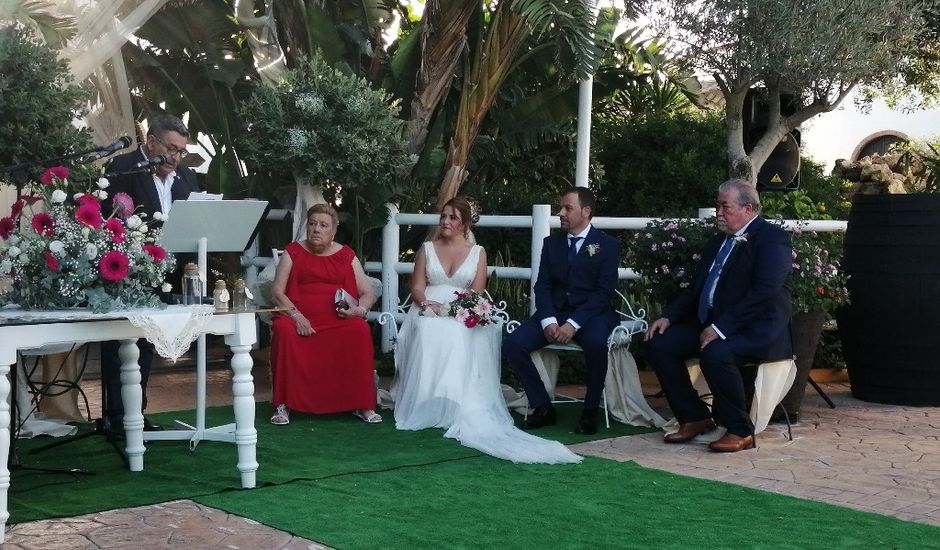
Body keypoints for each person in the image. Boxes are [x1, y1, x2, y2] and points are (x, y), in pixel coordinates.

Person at [391, 196, 581, 464]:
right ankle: (426, 401)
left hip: (462, 309)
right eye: (443, 216)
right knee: (427, 329)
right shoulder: (426, 248)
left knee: (457, 333)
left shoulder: (477, 252)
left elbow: (477, 290)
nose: (445, 222)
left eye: (453, 217)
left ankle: (454, 401)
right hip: (427, 307)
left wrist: (455, 309)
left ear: (465, 223)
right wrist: (425, 302)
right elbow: (417, 285)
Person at [644, 179, 792, 453]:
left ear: (748, 208)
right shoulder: (717, 243)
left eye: (725, 206)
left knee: (716, 352)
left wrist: (721, 329)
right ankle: (695, 417)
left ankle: (740, 429)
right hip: (714, 323)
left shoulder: (772, 238)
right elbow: (697, 288)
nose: (718, 212)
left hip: (755, 328)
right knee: (659, 343)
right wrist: (669, 316)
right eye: (717, 205)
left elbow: (764, 292)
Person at [101, 113, 201, 434]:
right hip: (129, 271)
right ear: (152, 141)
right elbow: (111, 221)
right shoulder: (123, 169)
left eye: (181, 151)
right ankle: (118, 416)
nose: (176, 157)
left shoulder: (186, 177)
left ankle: (137, 414)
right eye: (171, 149)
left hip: (170, 271)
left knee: (147, 345)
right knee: (123, 344)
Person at [503, 187, 620, 436]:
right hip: (554, 313)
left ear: (586, 211)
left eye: (568, 208)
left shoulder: (607, 245)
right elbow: (542, 284)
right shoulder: (551, 243)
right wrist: (547, 320)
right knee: (513, 344)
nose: (561, 213)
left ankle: (590, 411)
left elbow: (603, 293)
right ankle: (542, 406)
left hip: (591, 315)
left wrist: (573, 324)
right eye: (561, 208)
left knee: (596, 344)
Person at [269, 203, 380, 425]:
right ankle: (283, 404)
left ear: (333, 230)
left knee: (359, 329)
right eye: (312, 224)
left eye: (323, 225)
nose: (316, 229)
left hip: (337, 319)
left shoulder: (346, 254)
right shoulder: (293, 252)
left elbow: (368, 292)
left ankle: (361, 403)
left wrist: (359, 310)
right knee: (283, 330)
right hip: (298, 317)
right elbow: (277, 292)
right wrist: (297, 317)